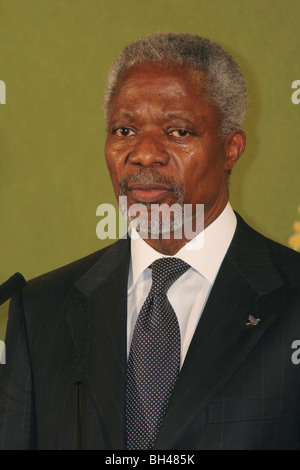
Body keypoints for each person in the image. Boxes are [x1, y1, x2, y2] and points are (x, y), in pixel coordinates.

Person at [1, 32, 300, 450]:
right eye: (124, 129)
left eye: (177, 132)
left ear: (231, 149)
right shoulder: (41, 310)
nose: (144, 153)